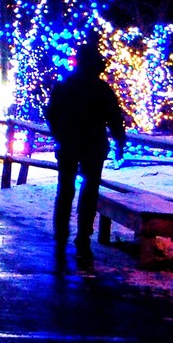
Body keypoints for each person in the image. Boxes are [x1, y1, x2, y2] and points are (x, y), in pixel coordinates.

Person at [46, 41, 127, 270]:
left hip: (69, 144)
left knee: (65, 189)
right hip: (93, 145)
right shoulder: (102, 89)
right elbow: (115, 118)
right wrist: (120, 140)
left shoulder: (64, 86)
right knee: (90, 191)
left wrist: (59, 134)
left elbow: (51, 113)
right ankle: (83, 236)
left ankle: (61, 233)